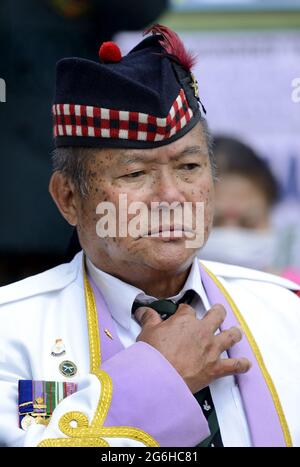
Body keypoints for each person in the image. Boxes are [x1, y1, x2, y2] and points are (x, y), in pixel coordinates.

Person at [0, 25, 299, 448]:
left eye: (189, 168)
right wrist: (160, 380)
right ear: (68, 198)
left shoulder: (285, 314)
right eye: (135, 174)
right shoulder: (9, 330)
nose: (171, 197)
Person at [200, 136, 300, 281]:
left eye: (249, 222)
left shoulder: (292, 294)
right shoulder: (162, 298)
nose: (231, 236)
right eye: (213, 222)